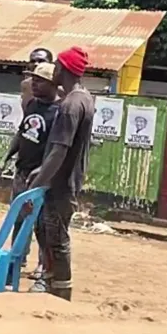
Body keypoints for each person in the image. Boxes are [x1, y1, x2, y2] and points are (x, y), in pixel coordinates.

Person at [0, 62, 61, 286]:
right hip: (22, 172)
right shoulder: (32, 104)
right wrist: (5, 158)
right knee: (18, 221)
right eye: (33, 79)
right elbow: (22, 133)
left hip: (41, 179)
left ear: (53, 84)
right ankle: (12, 269)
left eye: (39, 81)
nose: (33, 84)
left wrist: (42, 173)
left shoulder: (60, 112)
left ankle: (45, 273)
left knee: (41, 226)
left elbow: (58, 149)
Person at [27, 46, 94, 301]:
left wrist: (37, 183)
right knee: (51, 233)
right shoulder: (85, 98)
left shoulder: (69, 105)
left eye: (55, 66)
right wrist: (42, 169)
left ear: (62, 69)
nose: (52, 70)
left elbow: (59, 151)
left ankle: (61, 291)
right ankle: (55, 285)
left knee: (56, 237)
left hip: (60, 182)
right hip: (68, 178)